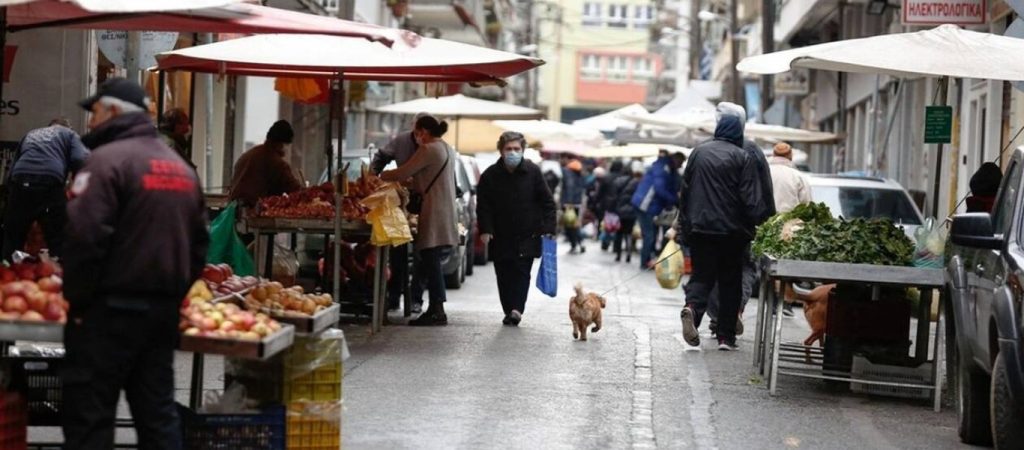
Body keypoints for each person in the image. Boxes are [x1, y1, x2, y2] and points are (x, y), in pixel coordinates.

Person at [62, 78, 209, 449]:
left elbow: (84, 235)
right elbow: (199, 245)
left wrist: (77, 302)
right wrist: (174, 297)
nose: (91, 122)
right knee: (157, 414)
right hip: (160, 313)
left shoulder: (105, 162)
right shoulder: (180, 168)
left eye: (95, 112)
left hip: (107, 311)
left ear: (113, 111)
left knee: (91, 418)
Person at [677, 102, 769, 351]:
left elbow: (685, 192)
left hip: (700, 229)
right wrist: (760, 223)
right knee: (730, 281)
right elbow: (751, 198)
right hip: (731, 233)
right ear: (739, 130)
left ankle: (693, 310)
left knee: (701, 276)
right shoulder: (742, 156)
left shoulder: (698, 152)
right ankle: (725, 337)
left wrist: (683, 227)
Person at [380, 116, 458, 326]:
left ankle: (437, 309)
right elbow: (423, 176)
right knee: (430, 259)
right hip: (445, 209)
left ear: (423, 131)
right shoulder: (447, 148)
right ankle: (435, 307)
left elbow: (405, 170)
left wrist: (380, 176)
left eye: (417, 132)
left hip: (434, 209)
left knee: (430, 259)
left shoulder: (428, 149)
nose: (416, 137)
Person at [476, 131, 557, 325]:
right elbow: (483, 205)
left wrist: (549, 228)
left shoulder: (533, 172)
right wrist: (485, 229)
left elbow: (547, 202)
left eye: (516, 149)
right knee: (503, 273)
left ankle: (516, 309)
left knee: (521, 273)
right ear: (501, 151)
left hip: (527, 234)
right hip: (500, 235)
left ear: (523, 150)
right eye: (508, 149)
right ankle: (508, 308)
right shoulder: (490, 175)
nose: (512, 152)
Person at [371, 112, 434, 313]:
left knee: (422, 254)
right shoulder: (400, 141)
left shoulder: (434, 146)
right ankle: (394, 295)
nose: (420, 134)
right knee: (397, 251)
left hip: (426, 202)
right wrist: (373, 178)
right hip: (401, 203)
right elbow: (381, 156)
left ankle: (416, 298)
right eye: (417, 129)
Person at [2, 118, 89, 260]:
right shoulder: (69, 134)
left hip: (20, 180)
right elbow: (80, 159)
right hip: (49, 182)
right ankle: (59, 272)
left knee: (13, 236)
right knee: (59, 236)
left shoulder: (31, 133)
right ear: (69, 127)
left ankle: (7, 272)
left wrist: (13, 195)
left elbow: (13, 166)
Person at [227, 120, 302, 206]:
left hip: (233, 211)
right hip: (255, 212)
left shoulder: (249, 154)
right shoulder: (276, 163)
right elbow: (295, 190)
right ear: (282, 144)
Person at [631, 151, 685, 268]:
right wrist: (675, 200)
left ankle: (649, 259)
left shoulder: (668, 168)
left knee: (652, 233)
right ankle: (645, 262)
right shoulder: (663, 168)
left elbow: (672, 185)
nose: (681, 166)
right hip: (645, 204)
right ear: (675, 160)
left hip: (649, 205)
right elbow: (660, 188)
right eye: (681, 162)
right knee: (649, 235)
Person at [613, 161, 644, 263]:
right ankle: (628, 253)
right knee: (629, 233)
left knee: (619, 233)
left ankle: (618, 254)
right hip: (631, 210)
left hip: (619, 210)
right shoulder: (636, 182)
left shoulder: (618, 181)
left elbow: (614, 196)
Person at [767, 142, 811, 213]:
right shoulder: (798, 176)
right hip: (790, 221)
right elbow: (807, 204)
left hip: (765, 221)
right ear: (790, 155)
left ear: (774, 155)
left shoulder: (764, 172)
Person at [561, 158, 586, 253]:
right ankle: (580, 242)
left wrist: (568, 202)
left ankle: (574, 245)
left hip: (569, 203)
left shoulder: (568, 172)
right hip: (577, 203)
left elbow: (569, 186)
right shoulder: (580, 174)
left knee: (569, 225)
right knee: (575, 224)